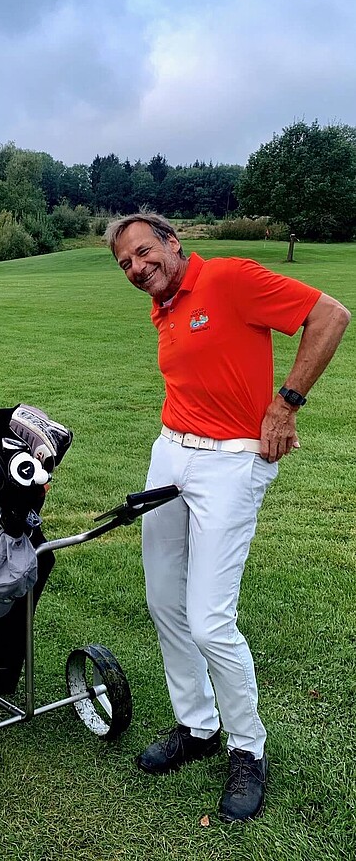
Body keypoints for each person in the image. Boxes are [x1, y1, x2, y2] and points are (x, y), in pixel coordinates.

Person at [105, 212, 350, 823]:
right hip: (171, 455)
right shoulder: (163, 305)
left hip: (232, 463)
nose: (137, 267)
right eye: (125, 263)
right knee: (164, 600)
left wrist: (286, 404)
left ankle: (247, 747)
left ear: (172, 242)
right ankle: (198, 726)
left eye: (144, 252)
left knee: (210, 619)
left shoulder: (229, 278)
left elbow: (330, 315)